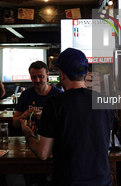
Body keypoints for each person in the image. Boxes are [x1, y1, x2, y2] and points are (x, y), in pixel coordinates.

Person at [21, 48, 114, 186]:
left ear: (61, 74)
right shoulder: (105, 101)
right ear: (86, 73)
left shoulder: (54, 104)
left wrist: (28, 135)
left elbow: (43, 153)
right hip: (103, 181)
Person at [12, 61, 63, 129]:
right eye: (34, 77)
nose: (37, 80)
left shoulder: (58, 94)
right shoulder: (26, 95)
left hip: (53, 138)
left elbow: (66, 122)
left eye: (40, 76)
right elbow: (15, 123)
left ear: (47, 75)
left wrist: (45, 117)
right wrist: (23, 116)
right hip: (31, 136)